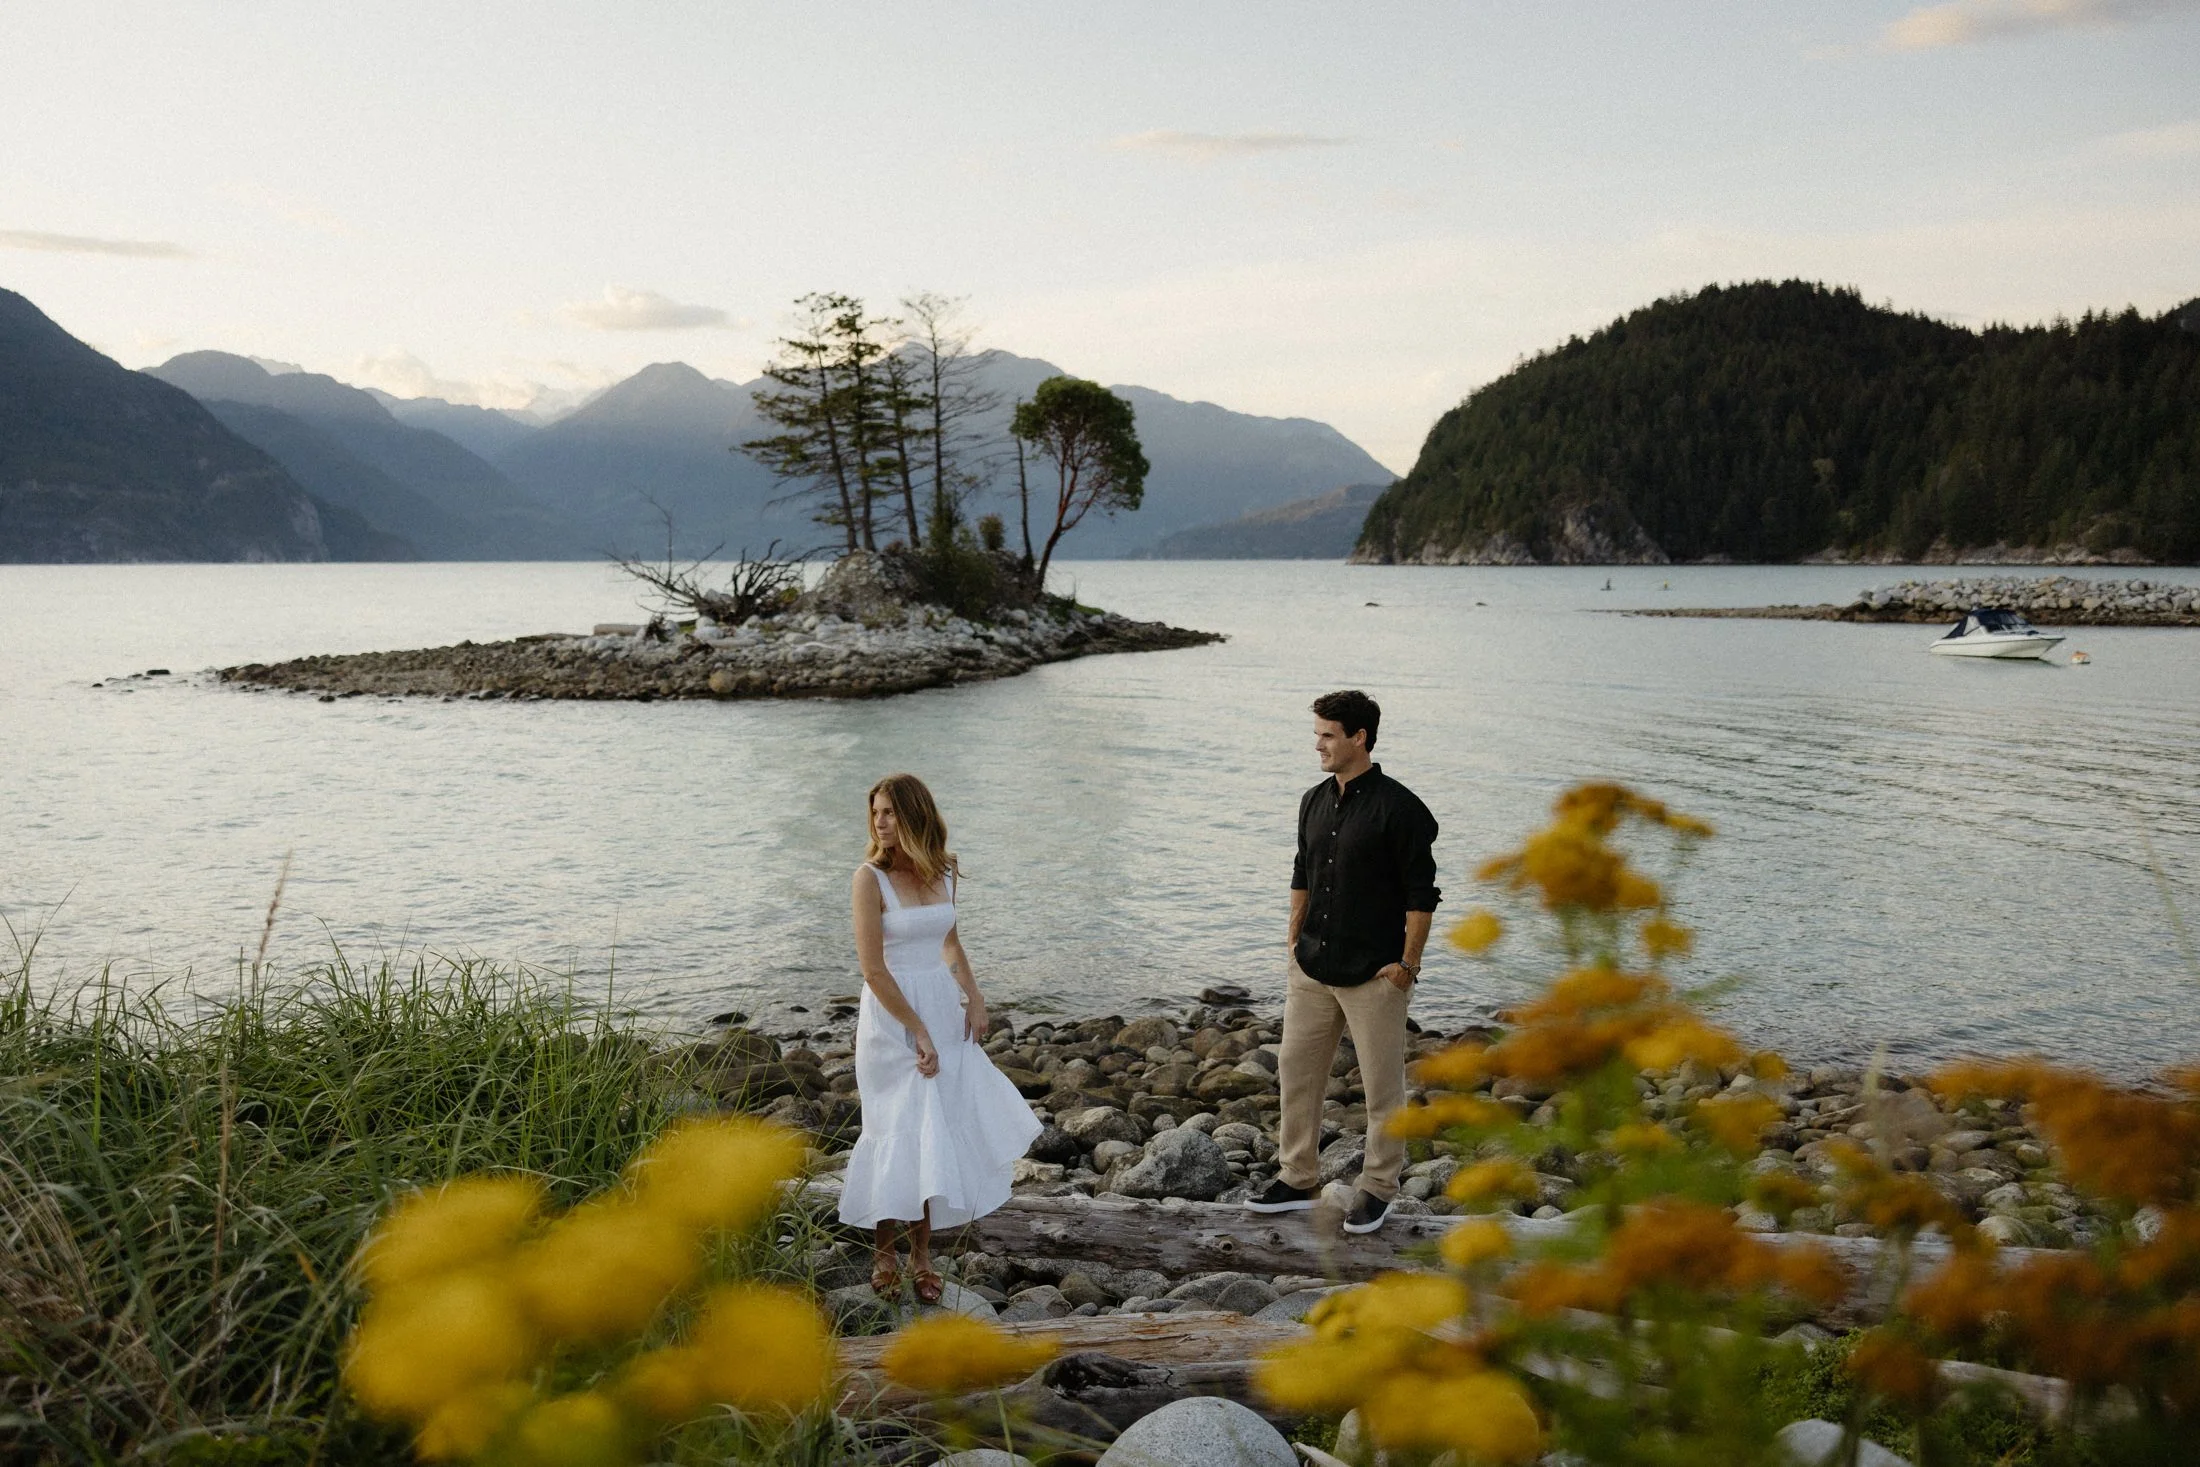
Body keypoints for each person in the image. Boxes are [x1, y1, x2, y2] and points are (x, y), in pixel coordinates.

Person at [838, 773, 1040, 1301]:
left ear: (915, 815)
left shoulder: (944, 869)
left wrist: (973, 995)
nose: (880, 823)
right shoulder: (868, 879)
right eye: (875, 813)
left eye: (890, 813)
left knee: (936, 1128)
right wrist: (917, 1029)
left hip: (940, 1010)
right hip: (892, 1018)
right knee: (895, 1128)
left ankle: (923, 1256)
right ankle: (884, 1255)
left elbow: (949, 942)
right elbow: (872, 968)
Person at [1246, 690, 1439, 1235]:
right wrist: (1292, 941)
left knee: (1382, 1089)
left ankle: (1378, 1187)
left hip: (1375, 975)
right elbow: (1302, 871)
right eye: (1316, 734)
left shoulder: (1402, 810)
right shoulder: (1312, 799)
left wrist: (1407, 964)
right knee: (1296, 1072)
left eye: (1328, 735)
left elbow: (1422, 895)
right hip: (1311, 967)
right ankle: (1297, 1176)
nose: (1318, 745)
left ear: (1360, 737)